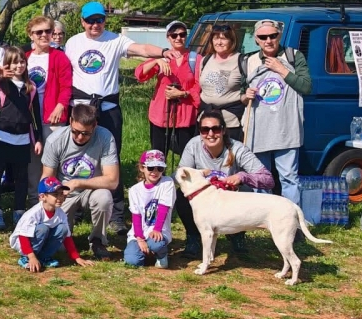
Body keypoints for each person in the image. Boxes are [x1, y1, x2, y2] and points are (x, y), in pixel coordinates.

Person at [65, 1, 175, 232]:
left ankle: (116, 214)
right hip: (81, 108)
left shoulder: (115, 39)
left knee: (110, 156)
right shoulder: (73, 42)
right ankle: (74, 208)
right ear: (82, 22)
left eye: (99, 20)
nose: (95, 25)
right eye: (90, 21)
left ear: (105, 20)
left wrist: (164, 52)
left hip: (107, 108)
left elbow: (142, 49)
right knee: (77, 157)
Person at [177, 109, 274, 258]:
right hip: (206, 199)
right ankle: (193, 236)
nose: (210, 134)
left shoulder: (238, 149)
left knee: (246, 189)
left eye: (215, 129)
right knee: (181, 194)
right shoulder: (193, 145)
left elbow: (268, 180)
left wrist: (243, 176)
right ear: (200, 132)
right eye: (205, 130)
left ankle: (237, 235)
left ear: (223, 130)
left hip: (230, 199)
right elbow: (180, 174)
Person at [241, 18, 311, 208]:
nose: (268, 40)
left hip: (286, 128)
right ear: (256, 39)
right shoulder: (248, 60)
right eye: (263, 37)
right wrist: (245, 95)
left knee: (289, 178)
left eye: (272, 36)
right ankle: (264, 221)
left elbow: (306, 87)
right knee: (261, 177)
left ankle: (291, 223)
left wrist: (282, 70)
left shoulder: (293, 56)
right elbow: (240, 94)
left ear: (279, 35)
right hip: (258, 129)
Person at [39, 103, 119, 260]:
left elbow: (112, 180)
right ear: (70, 121)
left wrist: (77, 182)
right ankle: (62, 235)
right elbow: (46, 178)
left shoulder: (105, 137)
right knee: (57, 249)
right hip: (63, 193)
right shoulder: (55, 140)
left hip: (91, 189)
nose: (80, 137)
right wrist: (50, 199)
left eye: (85, 133)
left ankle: (98, 240)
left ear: (95, 125)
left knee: (104, 197)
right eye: (75, 132)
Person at [0, 46, 43, 229]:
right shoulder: (1, 86)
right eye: (15, 62)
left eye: (22, 62)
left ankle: (19, 212)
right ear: (7, 64)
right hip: (0, 139)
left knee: (21, 178)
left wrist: (37, 139)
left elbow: (35, 116)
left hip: (22, 140)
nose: (19, 66)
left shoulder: (31, 87)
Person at [134, 20, 201, 159]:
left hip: (185, 116)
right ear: (168, 37)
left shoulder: (195, 59)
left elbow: (200, 86)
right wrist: (156, 61)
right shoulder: (162, 57)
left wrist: (182, 93)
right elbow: (140, 74)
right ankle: (158, 179)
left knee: (187, 157)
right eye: (174, 35)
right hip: (161, 115)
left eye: (182, 34)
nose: (178, 38)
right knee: (158, 156)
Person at [25, 16, 72, 206]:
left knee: (54, 159)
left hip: (53, 117)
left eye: (48, 31)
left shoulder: (59, 57)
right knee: (33, 159)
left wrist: (60, 107)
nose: (44, 35)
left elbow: (67, 87)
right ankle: (35, 198)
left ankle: (57, 198)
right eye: (39, 32)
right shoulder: (26, 57)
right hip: (31, 118)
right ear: (31, 35)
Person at [10, 177, 92, 272]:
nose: (60, 198)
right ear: (42, 197)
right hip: (22, 243)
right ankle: (26, 258)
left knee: (63, 229)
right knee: (43, 228)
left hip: (41, 239)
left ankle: (43, 257)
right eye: (55, 194)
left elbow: (67, 238)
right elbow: (23, 236)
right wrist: (31, 256)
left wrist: (77, 258)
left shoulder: (61, 213)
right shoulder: (33, 213)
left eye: (61, 194)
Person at [125, 150, 174, 268]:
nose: (155, 172)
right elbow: (136, 216)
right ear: (142, 168)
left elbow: (164, 208)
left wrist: (157, 229)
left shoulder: (167, 183)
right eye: (151, 168)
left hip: (159, 230)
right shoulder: (134, 190)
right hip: (139, 232)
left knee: (156, 244)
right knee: (132, 261)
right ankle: (146, 253)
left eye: (159, 168)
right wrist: (140, 238)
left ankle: (161, 255)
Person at [197, 23, 245, 141]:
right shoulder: (206, 60)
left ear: (231, 40)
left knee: (229, 157)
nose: (219, 42)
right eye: (216, 38)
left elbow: (248, 90)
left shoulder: (242, 61)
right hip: (205, 120)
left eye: (223, 38)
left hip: (230, 123)